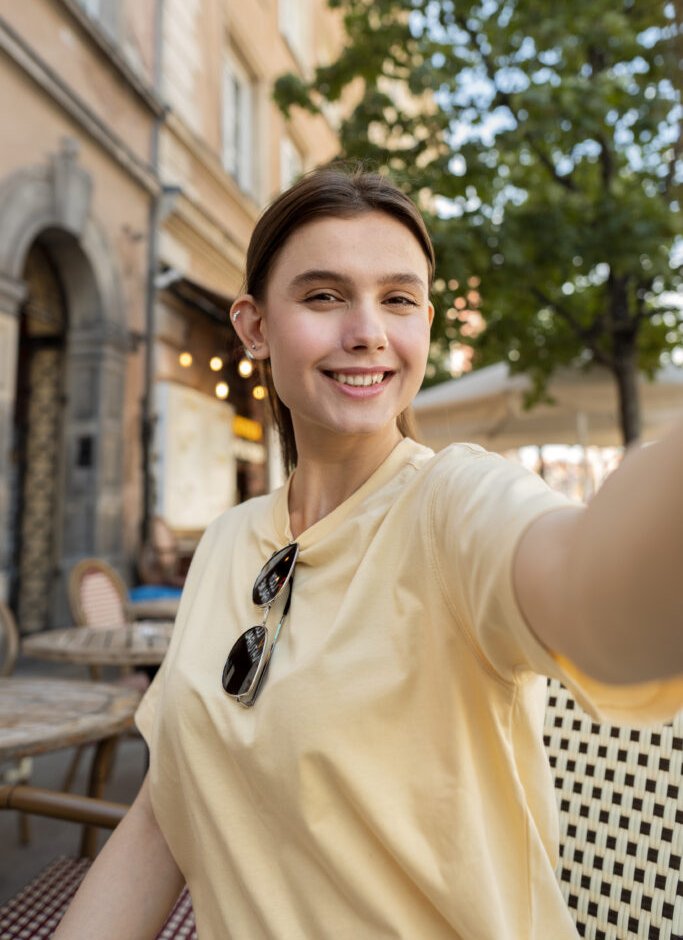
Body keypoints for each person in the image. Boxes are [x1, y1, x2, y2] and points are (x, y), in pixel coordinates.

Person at [54, 164, 683, 939]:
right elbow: (165, 808)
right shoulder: (227, 539)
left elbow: (595, 594)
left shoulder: (453, 503)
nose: (367, 331)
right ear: (252, 327)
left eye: (398, 299)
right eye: (323, 296)